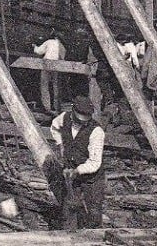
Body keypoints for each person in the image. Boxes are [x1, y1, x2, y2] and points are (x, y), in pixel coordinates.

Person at [50, 95, 106, 229]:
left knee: (93, 212)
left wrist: (77, 171)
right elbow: (54, 128)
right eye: (79, 118)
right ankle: (69, 235)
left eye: (86, 120)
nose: (82, 122)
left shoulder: (97, 132)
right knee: (69, 207)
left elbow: (95, 162)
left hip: (92, 177)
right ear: (73, 111)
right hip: (71, 170)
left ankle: (93, 237)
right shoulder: (63, 118)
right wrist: (61, 145)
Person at [34, 34, 66, 111]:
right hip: (57, 66)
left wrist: (35, 46)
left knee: (44, 86)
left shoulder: (49, 42)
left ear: (55, 37)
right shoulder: (62, 47)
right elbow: (62, 58)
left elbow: (39, 51)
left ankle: (47, 107)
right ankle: (56, 107)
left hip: (47, 65)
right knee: (56, 87)